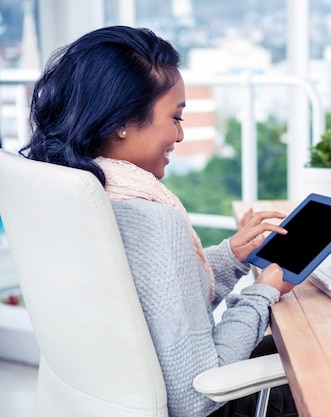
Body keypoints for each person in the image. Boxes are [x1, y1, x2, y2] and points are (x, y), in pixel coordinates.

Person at [21, 26, 298, 417]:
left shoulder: (79, 194)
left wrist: (233, 256)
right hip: (206, 405)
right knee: (328, 367)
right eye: (175, 117)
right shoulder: (150, 220)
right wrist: (263, 292)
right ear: (121, 121)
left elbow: (157, 307)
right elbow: (197, 394)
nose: (180, 135)